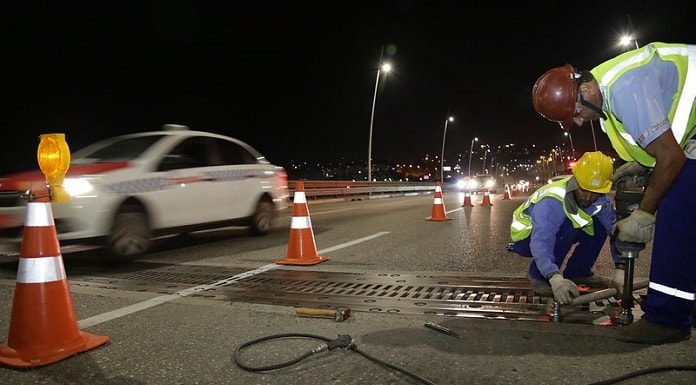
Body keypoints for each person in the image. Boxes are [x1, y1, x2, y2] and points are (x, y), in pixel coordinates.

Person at [532, 42, 695, 344]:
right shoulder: (609, 88)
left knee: (675, 212)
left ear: (585, 90)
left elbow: (671, 158)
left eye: (576, 112)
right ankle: (681, 306)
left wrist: (643, 216)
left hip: (686, 147)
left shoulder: (624, 89)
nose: (578, 121)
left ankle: (667, 318)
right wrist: (643, 163)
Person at [509, 151, 623, 305]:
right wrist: (553, 276)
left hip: (555, 232)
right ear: (575, 181)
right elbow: (542, 241)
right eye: (584, 190)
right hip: (527, 238)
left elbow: (615, 232)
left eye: (594, 193)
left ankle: (578, 272)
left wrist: (620, 267)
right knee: (567, 226)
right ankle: (538, 276)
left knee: (600, 226)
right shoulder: (552, 201)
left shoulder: (602, 202)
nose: (588, 198)